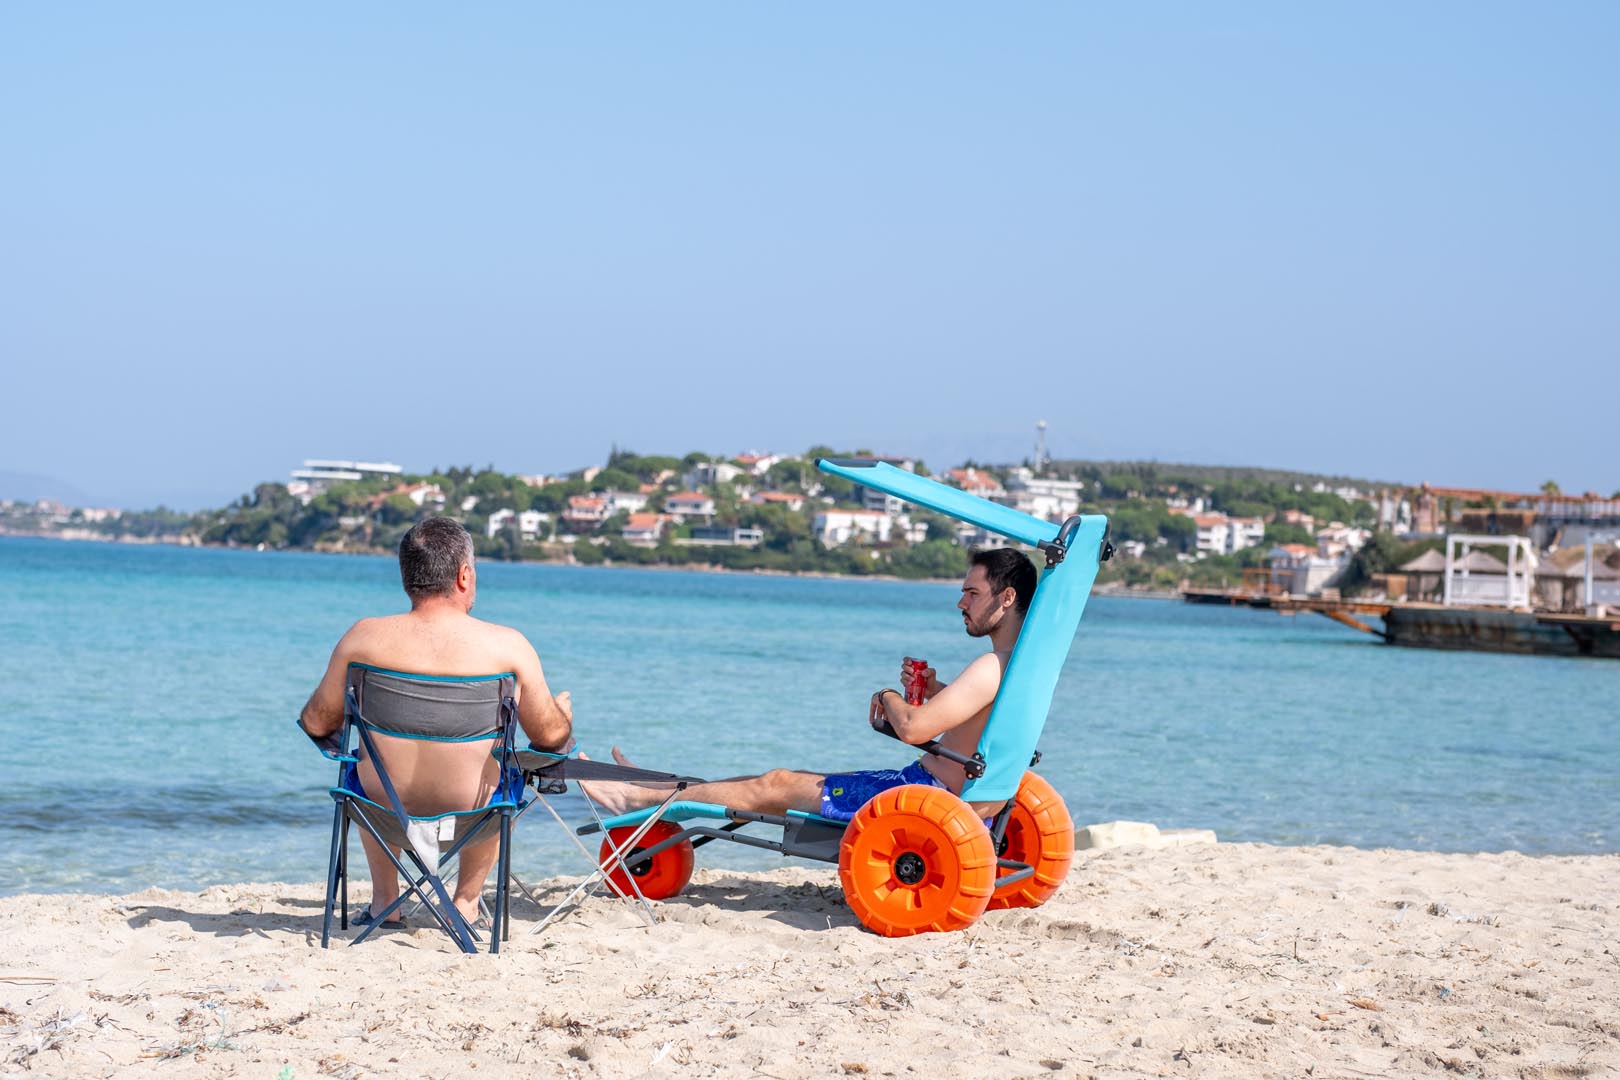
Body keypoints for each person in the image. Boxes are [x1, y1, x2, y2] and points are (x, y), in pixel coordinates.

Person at [582, 548, 1037, 823]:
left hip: (922, 799)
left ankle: (636, 798)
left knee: (775, 784)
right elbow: (982, 719)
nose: (960, 602)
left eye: (972, 593)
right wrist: (937, 688)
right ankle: (659, 791)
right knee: (774, 781)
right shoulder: (1018, 667)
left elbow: (915, 729)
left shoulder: (990, 664)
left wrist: (887, 696)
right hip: (947, 794)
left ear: (1007, 597)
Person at [299, 517, 573, 926]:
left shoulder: (363, 639)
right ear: (464, 576)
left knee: (361, 763)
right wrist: (563, 716)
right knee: (508, 770)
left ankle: (385, 902)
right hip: (475, 815)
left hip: (382, 812)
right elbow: (549, 738)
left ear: (407, 577)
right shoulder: (508, 647)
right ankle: (464, 903)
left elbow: (317, 722)